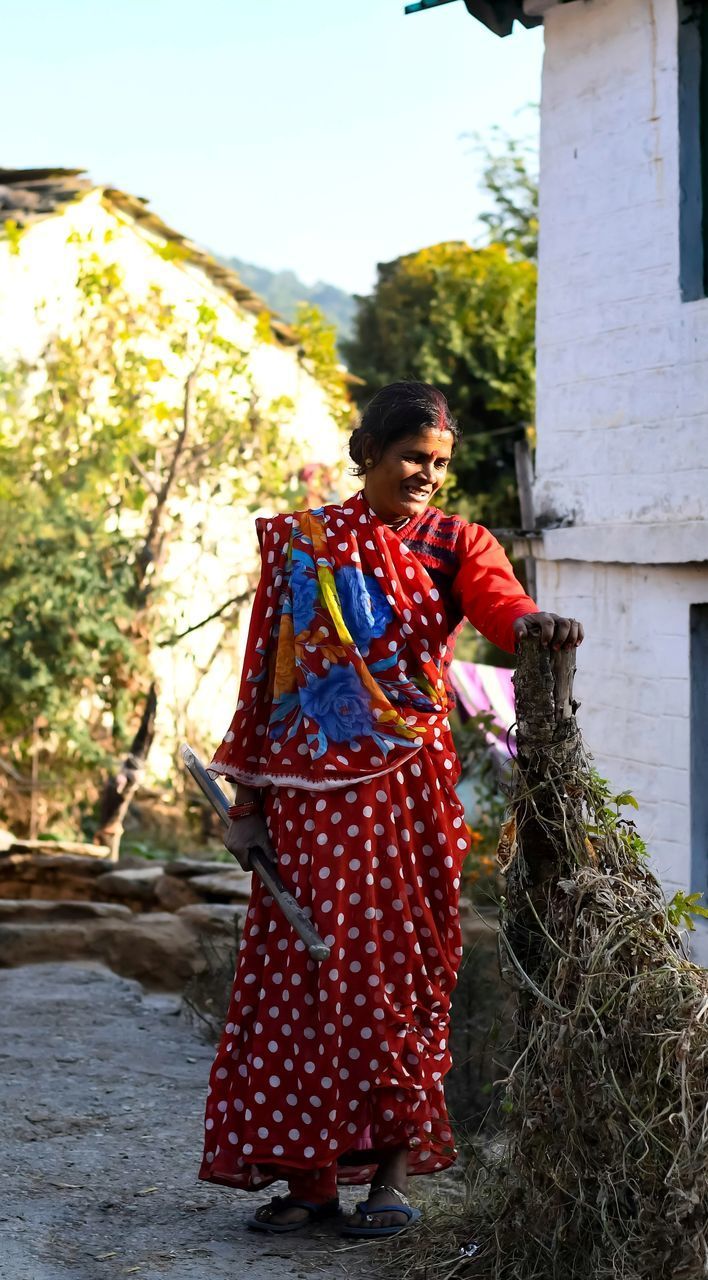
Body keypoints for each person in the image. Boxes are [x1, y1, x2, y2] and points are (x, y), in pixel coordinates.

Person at [199, 381, 583, 1237]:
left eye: (440, 463)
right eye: (413, 457)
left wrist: (536, 626)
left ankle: (388, 1182)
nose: (428, 476)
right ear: (364, 451)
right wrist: (248, 803)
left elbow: (500, 608)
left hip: (407, 797)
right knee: (302, 982)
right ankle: (309, 1185)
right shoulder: (305, 547)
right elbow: (266, 678)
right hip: (304, 805)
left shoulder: (459, 542)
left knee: (402, 979)